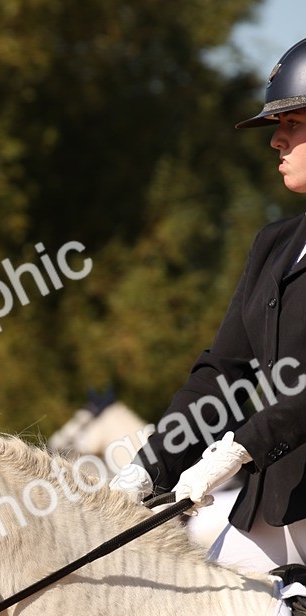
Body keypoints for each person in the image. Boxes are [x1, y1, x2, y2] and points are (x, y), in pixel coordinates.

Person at [111, 36, 306, 575]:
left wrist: (239, 447)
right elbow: (225, 373)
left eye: (293, 123)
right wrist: (152, 467)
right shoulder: (274, 244)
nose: (276, 141)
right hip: (277, 504)